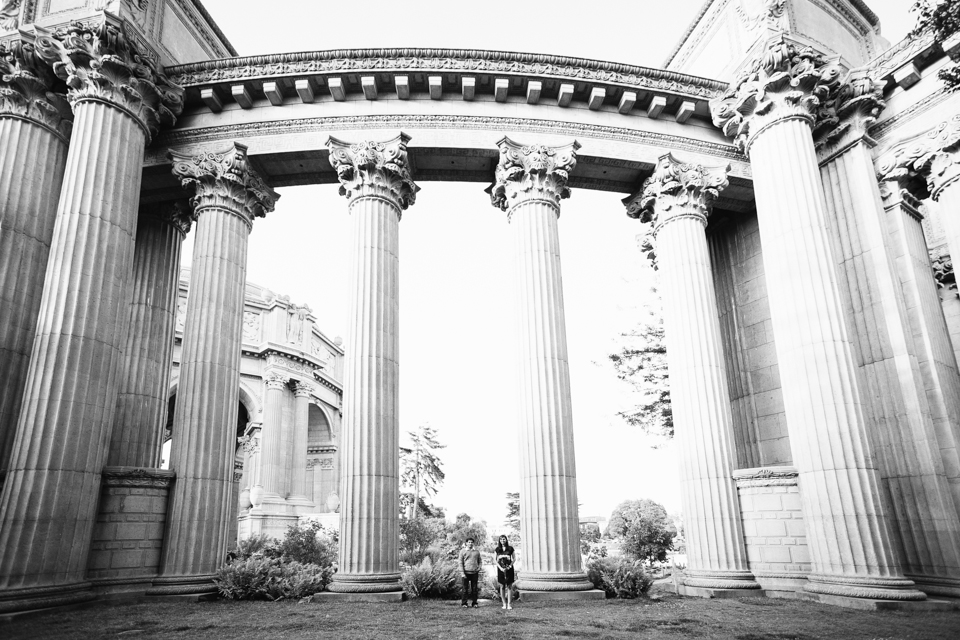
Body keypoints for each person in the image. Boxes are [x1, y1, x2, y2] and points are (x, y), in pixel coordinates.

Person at [459, 537, 482, 608]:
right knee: (465, 589)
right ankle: (464, 603)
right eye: (469, 542)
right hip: (465, 573)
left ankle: (474, 603)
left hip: (474, 573)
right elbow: (460, 562)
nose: (470, 543)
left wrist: (479, 567)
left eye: (471, 542)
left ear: (473, 543)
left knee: (474, 589)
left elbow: (480, 561)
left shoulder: (477, 552)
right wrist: (462, 573)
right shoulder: (462, 551)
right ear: (466, 543)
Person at [495, 534, 516, 610]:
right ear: (499, 541)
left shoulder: (510, 548)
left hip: (509, 569)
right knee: (502, 586)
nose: (502, 541)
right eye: (501, 539)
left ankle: (509, 604)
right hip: (501, 570)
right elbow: (495, 560)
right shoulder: (497, 549)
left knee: (509, 586)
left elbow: (514, 558)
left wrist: (510, 566)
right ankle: (504, 603)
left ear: (506, 540)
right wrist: (500, 568)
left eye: (504, 539)